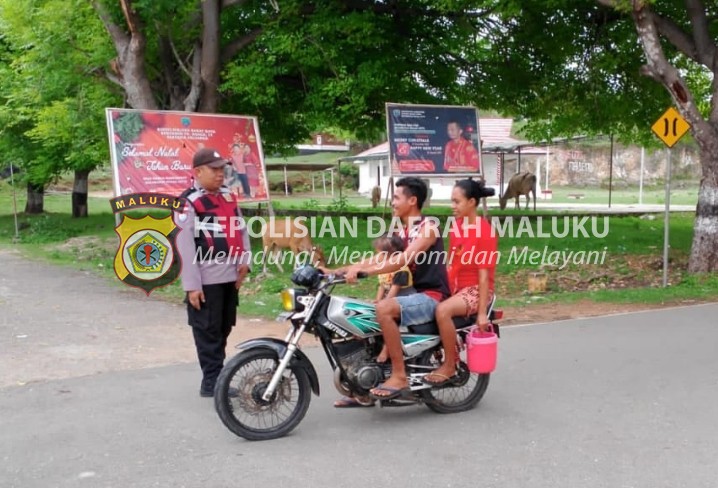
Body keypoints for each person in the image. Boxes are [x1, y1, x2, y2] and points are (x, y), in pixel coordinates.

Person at [328, 177, 450, 400]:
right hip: (411, 295)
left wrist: (367, 273)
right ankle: (362, 387)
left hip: (431, 296)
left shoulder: (428, 228)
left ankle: (399, 375)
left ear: (412, 200)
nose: (392, 202)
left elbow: (403, 259)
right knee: (360, 312)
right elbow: (376, 259)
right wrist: (336, 271)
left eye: (396, 197)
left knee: (383, 308)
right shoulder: (401, 232)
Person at [175, 147, 252, 397]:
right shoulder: (188, 202)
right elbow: (184, 246)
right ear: (198, 171)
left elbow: (241, 231)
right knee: (207, 330)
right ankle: (212, 382)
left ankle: (217, 377)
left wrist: (245, 261)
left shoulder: (228, 197)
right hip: (205, 279)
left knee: (223, 327)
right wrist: (192, 286)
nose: (220, 174)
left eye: (222, 169)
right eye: (214, 169)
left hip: (229, 276)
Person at [423, 178, 498, 386]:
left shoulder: (484, 232)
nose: (452, 206)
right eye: (452, 201)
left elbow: (484, 276)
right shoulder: (457, 226)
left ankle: (449, 364)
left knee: (442, 311)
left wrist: (482, 313)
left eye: (457, 202)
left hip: (475, 290)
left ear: (472, 202)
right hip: (456, 287)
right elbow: (452, 263)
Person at [373, 234, 415, 302]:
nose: (378, 256)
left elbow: (394, 290)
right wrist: (377, 300)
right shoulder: (384, 268)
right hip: (391, 300)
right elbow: (382, 286)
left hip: (404, 301)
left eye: (381, 254)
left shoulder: (401, 270)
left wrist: (383, 304)